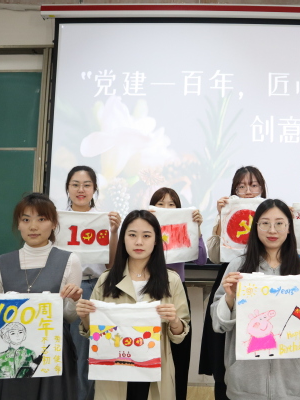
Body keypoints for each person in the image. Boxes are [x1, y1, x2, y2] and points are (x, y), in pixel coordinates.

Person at [211, 199, 300, 400]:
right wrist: (230, 298)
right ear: (256, 227)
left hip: (291, 387)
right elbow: (218, 324)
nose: (272, 230)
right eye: (265, 223)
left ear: (289, 228)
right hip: (245, 385)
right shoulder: (238, 268)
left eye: (279, 223)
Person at [0, 193, 83, 400]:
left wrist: (75, 300)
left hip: (52, 352)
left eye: (41, 219)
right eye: (26, 219)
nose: (33, 226)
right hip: (12, 356)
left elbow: (69, 317)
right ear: (18, 224)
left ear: (54, 223)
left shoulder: (70, 261)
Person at [76, 210, 190, 400]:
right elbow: (93, 333)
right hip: (115, 370)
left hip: (154, 369)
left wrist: (175, 321)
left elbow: (179, 335)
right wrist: (85, 316)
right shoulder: (106, 280)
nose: (139, 242)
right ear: (123, 239)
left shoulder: (171, 280)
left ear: (156, 240)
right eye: (132, 235)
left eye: (146, 236)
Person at [199, 165, 267, 400]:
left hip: (262, 283)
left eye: (254, 185)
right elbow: (215, 256)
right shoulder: (228, 213)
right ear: (234, 190)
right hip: (230, 281)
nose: (248, 191)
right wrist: (221, 217)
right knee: (223, 350)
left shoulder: (271, 216)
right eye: (241, 186)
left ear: (262, 189)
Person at [65, 165, 122, 400]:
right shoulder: (56, 219)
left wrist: (114, 231)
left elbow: (111, 264)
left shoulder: (103, 219)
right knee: (58, 351)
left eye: (87, 185)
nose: (81, 190)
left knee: (84, 355)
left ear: (95, 189)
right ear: (67, 188)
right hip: (59, 289)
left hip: (90, 288)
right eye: (75, 185)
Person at [149, 187, 207, 400]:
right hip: (147, 292)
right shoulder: (145, 231)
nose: (166, 208)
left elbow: (201, 260)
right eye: (160, 204)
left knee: (180, 354)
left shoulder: (183, 228)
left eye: (171, 204)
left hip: (177, 294)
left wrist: (197, 228)